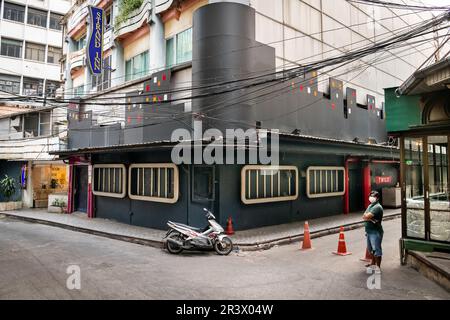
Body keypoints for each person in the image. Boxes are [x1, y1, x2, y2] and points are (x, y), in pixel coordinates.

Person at [362, 190, 384, 273]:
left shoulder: (377, 207)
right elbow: (364, 216)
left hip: (375, 232)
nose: (371, 198)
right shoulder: (371, 205)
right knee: (371, 249)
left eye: (373, 196)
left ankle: (378, 267)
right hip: (369, 231)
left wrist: (368, 217)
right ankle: (373, 264)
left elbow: (367, 216)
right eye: (370, 196)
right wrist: (368, 217)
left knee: (377, 250)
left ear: (377, 198)